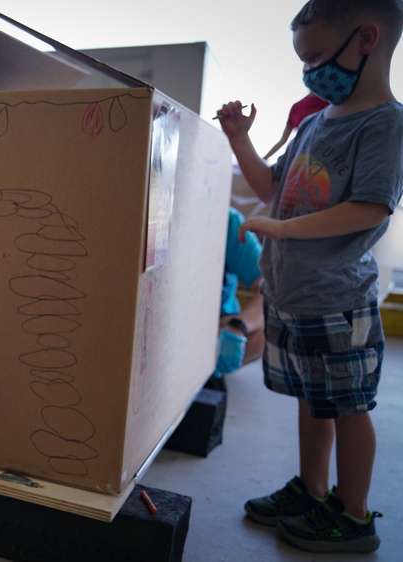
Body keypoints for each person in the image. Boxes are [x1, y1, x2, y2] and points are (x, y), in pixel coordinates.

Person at [215, 0, 403, 554]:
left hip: (338, 298)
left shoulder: (385, 123)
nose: (309, 71)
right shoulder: (317, 120)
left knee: (347, 408)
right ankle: (313, 491)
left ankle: (353, 515)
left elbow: (370, 209)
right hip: (294, 297)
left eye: (316, 56)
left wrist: (282, 230)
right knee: (310, 400)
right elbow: (270, 187)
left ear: (366, 40)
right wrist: (238, 138)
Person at [209, 207, 265, 390]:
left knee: (261, 336)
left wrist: (239, 327)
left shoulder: (228, 220)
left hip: (217, 324)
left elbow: (270, 287)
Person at [262, 92, 330, 160]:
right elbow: (283, 140)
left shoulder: (330, 102)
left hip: (326, 151)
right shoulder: (296, 107)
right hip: (300, 153)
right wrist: (265, 158)